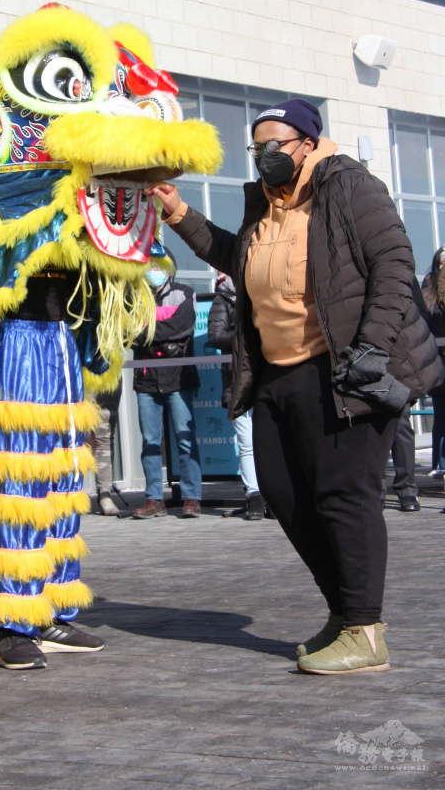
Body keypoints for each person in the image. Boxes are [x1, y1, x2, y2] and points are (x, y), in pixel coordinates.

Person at [148, 98, 443, 674]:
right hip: (278, 373)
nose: (263, 155)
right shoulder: (264, 201)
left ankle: (364, 629)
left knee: (343, 496)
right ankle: (345, 612)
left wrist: (371, 349)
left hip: (343, 369)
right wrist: (180, 212)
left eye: (275, 144)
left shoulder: (351, 186)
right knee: (283, 495)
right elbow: (240, 259)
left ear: (308, 143)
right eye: (257, 146)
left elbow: (393, 263)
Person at [131, 264, 202, 519]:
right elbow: (129, 331)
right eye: (148, 266)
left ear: (168, 269)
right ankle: (154, 499)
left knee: (185, 438)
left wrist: (148, 331)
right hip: (146, 379)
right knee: (150, 440)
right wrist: (164, 335)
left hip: (178, 378)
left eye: (157, 266)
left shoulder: (185, 293)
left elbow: (183, 326)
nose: (153, 270)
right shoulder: (134, 296)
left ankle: (191, 497)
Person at [208, 273, 264, 520]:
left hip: (265, 377)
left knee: (269, 441)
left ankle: (274, 494)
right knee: (247, 442)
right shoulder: (223, 299)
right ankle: (254, 496)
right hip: (236, 380)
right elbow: (215, 335)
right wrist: (245, 337)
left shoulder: (264, 293)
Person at [421, 246, 445, 477]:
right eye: (441, 263)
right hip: (438, 360)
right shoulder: (429, 287)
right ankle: (440, 465)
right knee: (441, 415)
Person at [92, 383, 124, 516]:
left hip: (107, 371)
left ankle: (104, 493)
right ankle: (68, 493)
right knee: (70, 434)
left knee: (105, 432)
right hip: (75, 372)